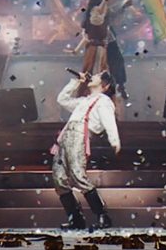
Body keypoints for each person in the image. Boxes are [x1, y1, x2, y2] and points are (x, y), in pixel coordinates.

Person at [52, 71, 121, 230]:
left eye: (97, 75)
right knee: (59, 178)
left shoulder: (103, 101)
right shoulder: (84, 101)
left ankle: (103, 216)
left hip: (79, 137)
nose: (93, 76)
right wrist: (76, 81)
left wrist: (114, 140)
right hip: (65, 138)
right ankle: (75, 218)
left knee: (78, 176)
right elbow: (62, 99)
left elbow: (109, 121)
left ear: (105, 85)